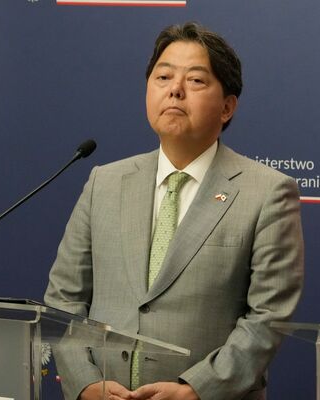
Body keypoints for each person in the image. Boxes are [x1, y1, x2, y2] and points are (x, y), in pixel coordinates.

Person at [44, 22, 304, 400]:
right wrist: (84, 382)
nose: (175, 90)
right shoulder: (105, 181)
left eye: (196, 81)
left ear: (228, 106)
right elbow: (62, 302)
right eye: (163, 76)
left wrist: (196, 390)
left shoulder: (266, 192)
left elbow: (268, 319)